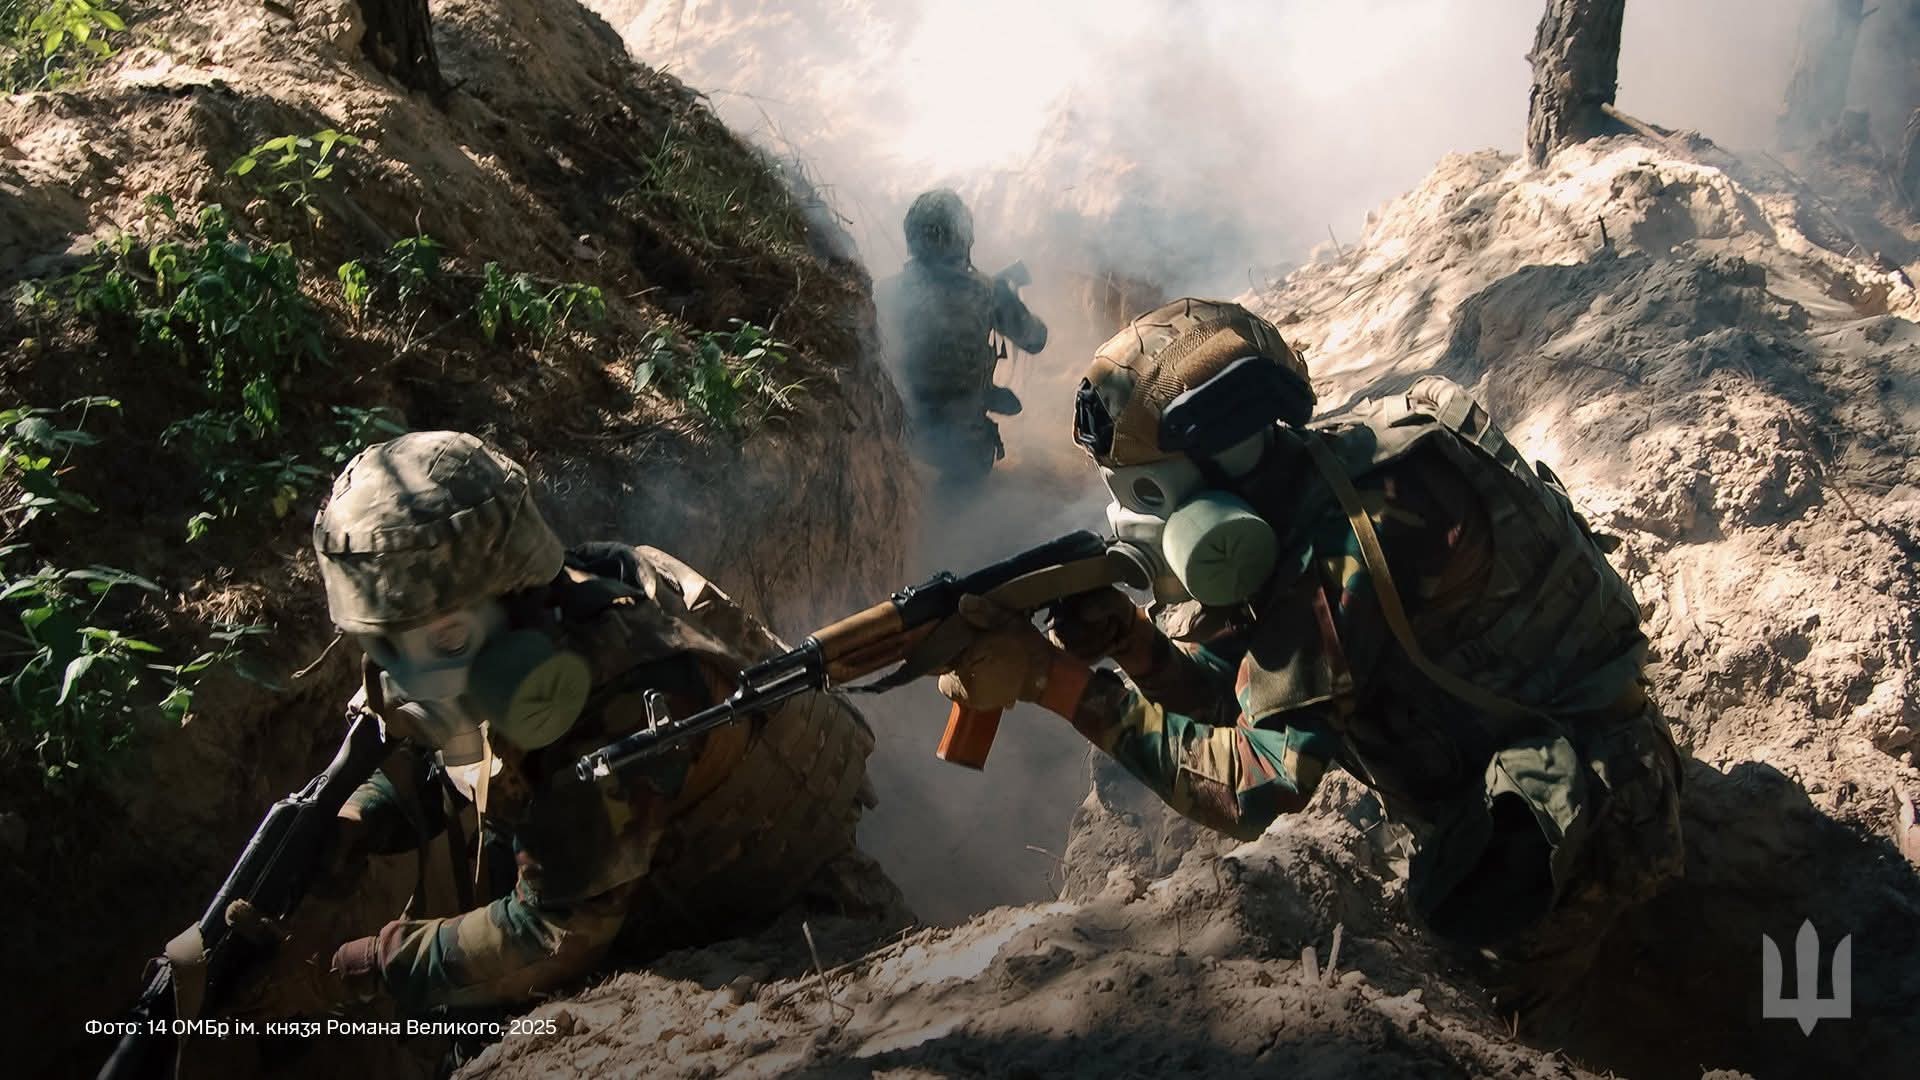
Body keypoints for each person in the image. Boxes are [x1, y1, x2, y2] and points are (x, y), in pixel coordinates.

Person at [935, 298, 1685, 1012]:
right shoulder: (1318, 473)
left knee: (1462, 980)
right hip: (1572, 748)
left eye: (1143, 493)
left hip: (1586, 813)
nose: (1131, 517)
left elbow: (1254, 785)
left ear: (1205, 472)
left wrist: (1055, 682)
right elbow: (1240, 695)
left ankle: (1576, 979)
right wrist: (1135, 646)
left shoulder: (1340, 551)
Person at [223, 431, 882, 1017]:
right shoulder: (527, 618)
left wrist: (369, 966)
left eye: (421, 642)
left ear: (476, 615)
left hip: (796, 941)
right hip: (662, 898)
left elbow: (553, 934)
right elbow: (463, 754)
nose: (394, 677)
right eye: (380, 645)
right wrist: (361, 818)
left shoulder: (625, 701)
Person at [879, 188, 1049, 487]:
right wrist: (1005, 297)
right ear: (963, 238)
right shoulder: (988, 292)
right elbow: (1035, 339)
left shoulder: (885, 292)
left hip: (899, 440)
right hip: (964, 452)